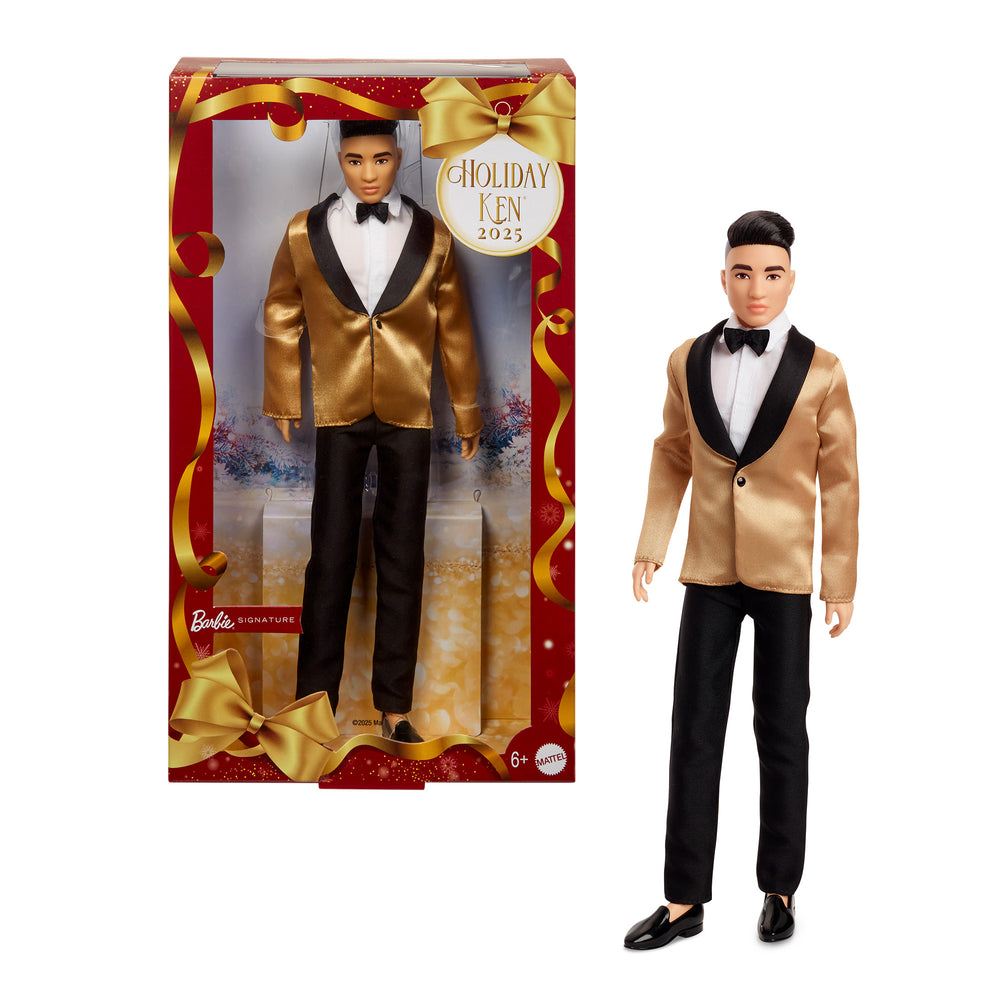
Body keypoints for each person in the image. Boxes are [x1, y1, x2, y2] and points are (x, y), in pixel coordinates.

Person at [623, 211, 858, 948]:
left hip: (785, 573)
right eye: (744, 272)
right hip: (709, 570)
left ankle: (779, 888)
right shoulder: (687, 359)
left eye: (772, 273)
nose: (757, 288)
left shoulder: (823, 370)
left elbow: (840, 483)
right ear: (723, 276)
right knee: (693, 728)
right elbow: (671, 453)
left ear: (792, 279)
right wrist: (652, 543)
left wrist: (839, 581)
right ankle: (683, 899)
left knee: (782, 729)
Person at [262, 119, 482, 744]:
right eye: (356, 159)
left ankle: (394, 706)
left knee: (403, 555)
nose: (368, 173)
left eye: (381, 159)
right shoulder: (304, 231)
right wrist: (284, 394)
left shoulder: (433, 236)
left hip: (409, 410)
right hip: (338, 406)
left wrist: (466, 408)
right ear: (339, 156)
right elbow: (282, 311)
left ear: (399, 155)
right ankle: (314, 703)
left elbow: (455, 326)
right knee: (329, 556)